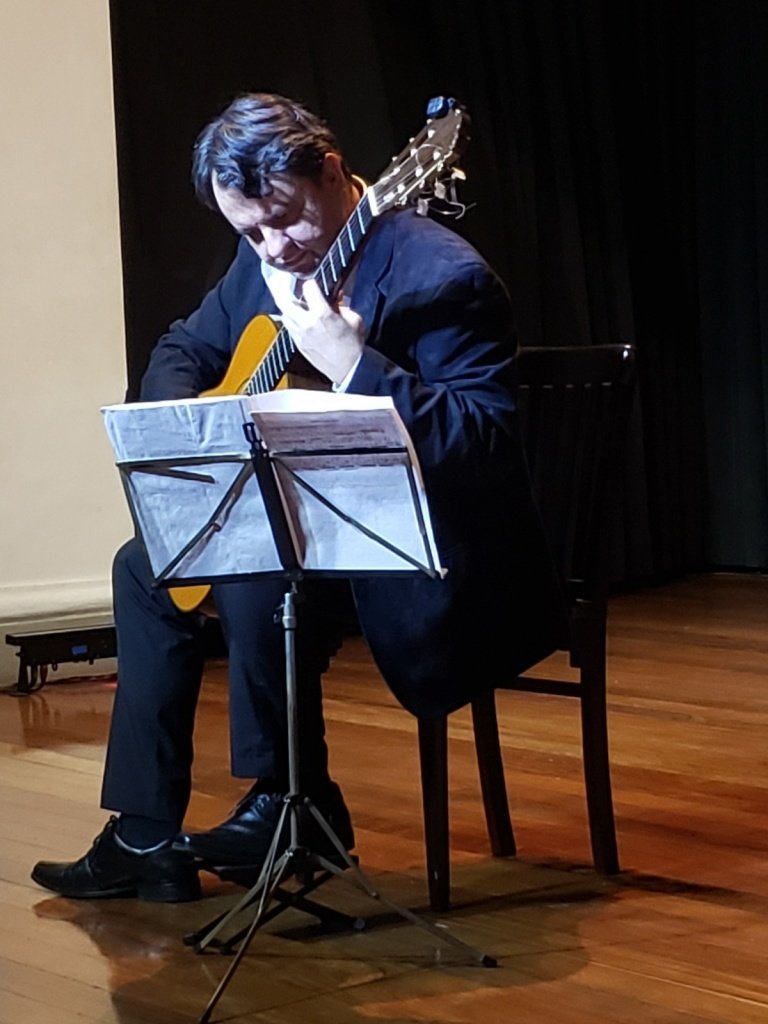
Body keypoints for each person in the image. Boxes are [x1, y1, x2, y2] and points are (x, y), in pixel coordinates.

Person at [31, 92, 566, 902]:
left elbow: (485, 442)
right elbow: (183, 345)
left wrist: (356, 365)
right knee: (146, 569)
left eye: (284, 221)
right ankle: (145, 834)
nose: (273, 250)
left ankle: (288, 799)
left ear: (333, 172)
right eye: (250, 233)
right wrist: (200, 420)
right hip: (315, 544)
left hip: (431, 556)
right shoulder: (264, 258)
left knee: (253, 560)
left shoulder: (442, 274)